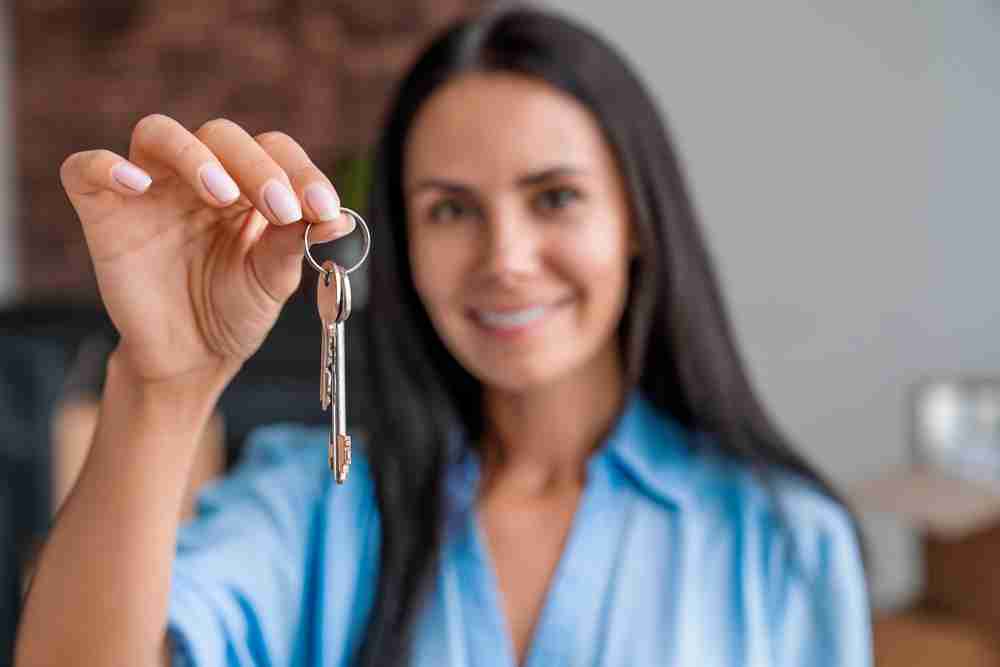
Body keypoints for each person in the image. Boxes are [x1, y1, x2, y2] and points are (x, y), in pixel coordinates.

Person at [16, 7, 871, 667]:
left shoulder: (785, 537)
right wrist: (163, 383)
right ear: (407, 243)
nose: (505, 259)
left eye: (555, 197)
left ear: (636, 221)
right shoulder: (310, 505)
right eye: (450, 209)